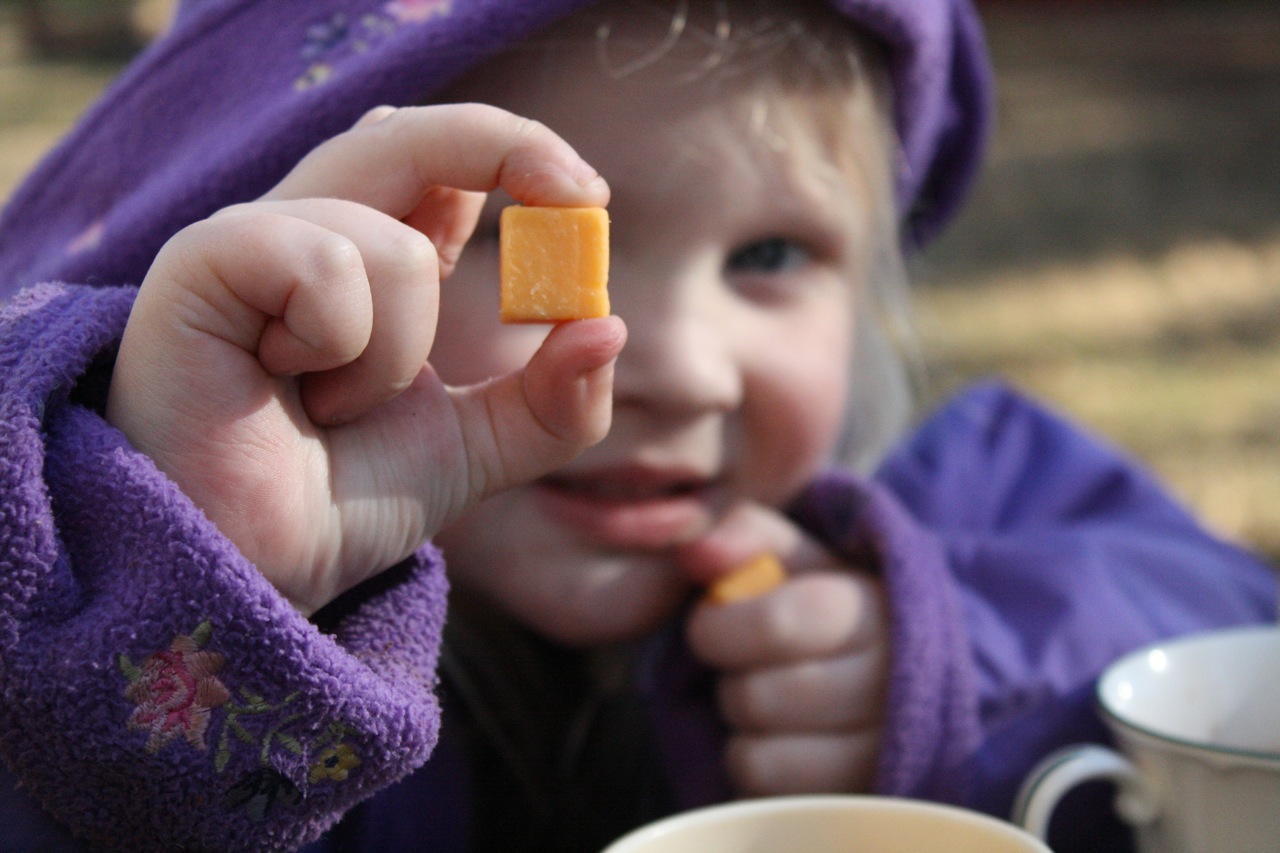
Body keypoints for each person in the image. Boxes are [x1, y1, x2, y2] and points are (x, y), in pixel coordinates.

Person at [0, 0, 1273, 851]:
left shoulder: (970, 493)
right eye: (523, 239)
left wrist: (953, 658)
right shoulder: (206, 584)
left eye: (768, 254)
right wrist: (185, 568)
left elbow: (1231, 641)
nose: (673, 367)